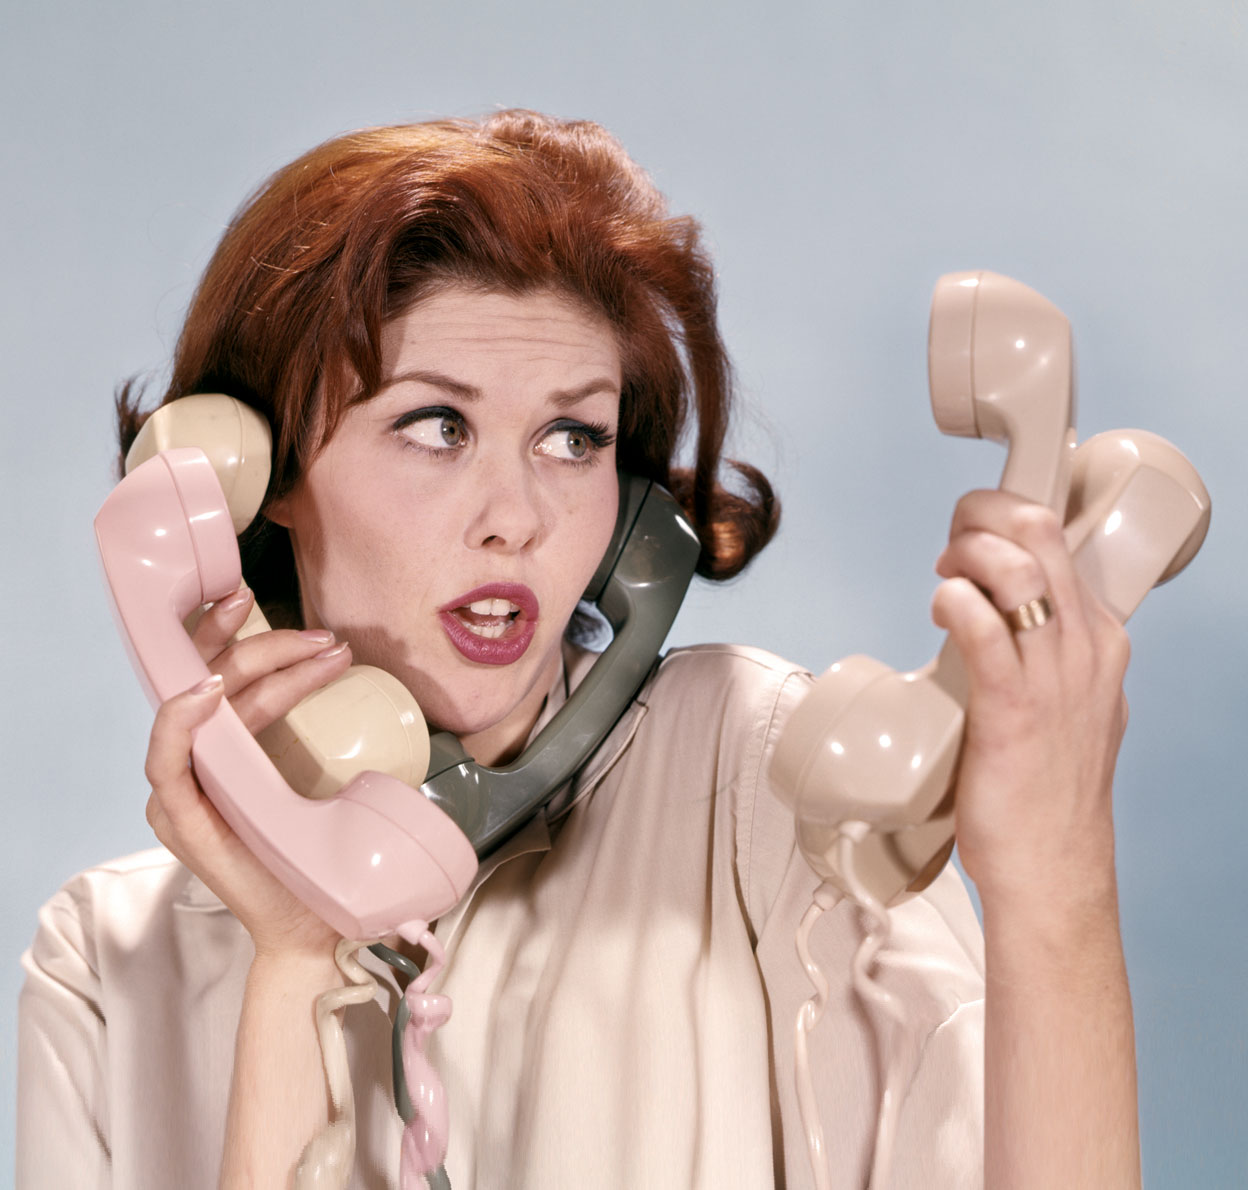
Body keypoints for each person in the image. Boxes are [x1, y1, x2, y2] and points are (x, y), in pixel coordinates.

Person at [17, 110, 1140, 1189]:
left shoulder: (761, 779)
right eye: (437, 426)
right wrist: (296, 960)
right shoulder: (104, 964)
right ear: (258, 477)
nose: (516, 518)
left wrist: (1057, 881)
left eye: (572, 437)